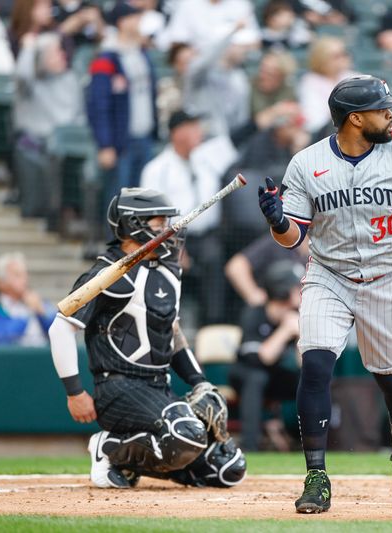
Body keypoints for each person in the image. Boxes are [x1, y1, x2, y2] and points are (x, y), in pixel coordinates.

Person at [257, 75, 392, 512]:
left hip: (384, 275)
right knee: (317, 362)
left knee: (391, 375)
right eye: (382, 109)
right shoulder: (307, 163)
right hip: (330, 274)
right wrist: (276, 221)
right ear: (355, 118)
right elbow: (293, 237)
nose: (390, 114)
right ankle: (316, 476)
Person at [47, 188, 246, 489]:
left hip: (158, 387)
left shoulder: (167, 270)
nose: (168, 229)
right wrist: (74, 393)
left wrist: (200, 382)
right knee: (185, 432)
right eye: (158, 222)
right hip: (117, 388)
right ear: (133, 225)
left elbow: (173, 334)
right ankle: (108, 446)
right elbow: (60, 328)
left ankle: (134, 464)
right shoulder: (106, 273)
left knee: (227, 468)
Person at [140, 110, 229, 326]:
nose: (199, 133)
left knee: (216, 258)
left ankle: (213, 327)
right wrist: (172, 245)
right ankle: (169, 324)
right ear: (178, 133)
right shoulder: (157, 169)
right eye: (193, 127)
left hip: (209, 235)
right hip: (174, 237)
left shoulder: (206, 160)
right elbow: (151, 217)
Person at [87, 1, 157, 212]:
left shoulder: (142, 53)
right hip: (121, 142)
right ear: (122, 21)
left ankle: (137, 244)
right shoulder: (107, 57)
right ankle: (117, 244)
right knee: (119, 200)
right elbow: (99, 104)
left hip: (144, 135)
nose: (138, 21)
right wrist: (105, 144)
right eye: (133, 17)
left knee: (142, 200)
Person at [229, 260, 303, 451]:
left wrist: (300, 336)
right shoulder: (255, 312)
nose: (300, 292)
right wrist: (285, 331)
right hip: (245, 373)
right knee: (256, 378)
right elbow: (263, 357)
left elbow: (303, 363)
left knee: (311, 379)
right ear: (283, 290)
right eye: (297, 288)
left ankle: (311, 442)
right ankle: (250, 447)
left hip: (276, 377)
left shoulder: (298, 314)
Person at [0, 252, 57, 346]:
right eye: (17, 275)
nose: (25, 279)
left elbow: (59, 329)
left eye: (25, 274)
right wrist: (27, 314)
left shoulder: (39, 303)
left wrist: (42, 311)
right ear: (0, 282)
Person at [225, 231, 310, 308]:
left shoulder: (319, 253)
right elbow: (236, 266)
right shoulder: (279, 242)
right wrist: (253, 294)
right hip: (271, 313)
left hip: (301, 314)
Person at [297, 36, 355, 135]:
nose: (344, 59)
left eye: (344, 54)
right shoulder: (310, 81)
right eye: (337, 56)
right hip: (324, 134)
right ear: (322, 59)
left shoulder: (354, 77)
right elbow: (314, 120)